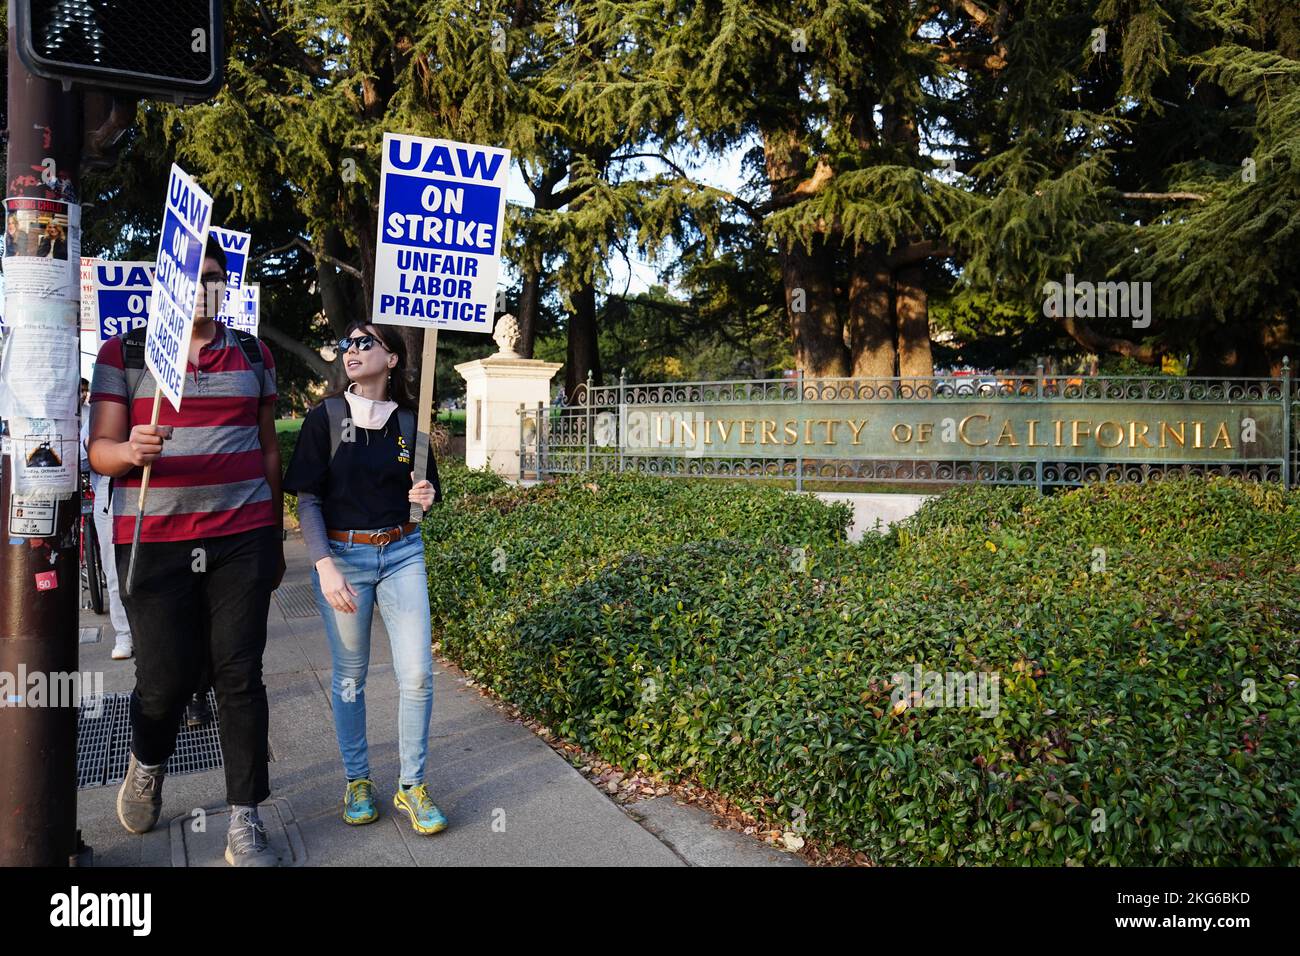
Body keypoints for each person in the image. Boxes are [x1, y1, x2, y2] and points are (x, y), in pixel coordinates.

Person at [88, 236, 285, 867]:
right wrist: (130, 453)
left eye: (215, 277)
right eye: (192, 277)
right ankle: (148, 764)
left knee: (238, 674)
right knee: (164, 680)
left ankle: (245, 820)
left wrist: (275, 532)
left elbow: (268, 450)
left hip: (242, 536)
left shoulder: (254, 353)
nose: (205, 288)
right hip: (155, 541)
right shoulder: (125, 352)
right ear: (165, 283)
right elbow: (101, 451)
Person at [281, 321, 446, 834]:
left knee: (417, 673)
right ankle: (357, 779)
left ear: (392, 358)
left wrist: (425, 499)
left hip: (402, 553)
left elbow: (425, 496)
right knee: (350, 677)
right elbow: (306, 498)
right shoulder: (325, 418)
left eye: (364, 343)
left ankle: (411, 786)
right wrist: (324, 564)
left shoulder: (411, 424)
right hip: (343, 559)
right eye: (347, 344)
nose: (351, 351)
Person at [79, 378, 133, 660]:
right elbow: (84, 458)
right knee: (113, 570)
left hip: (149, 493)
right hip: (109, 493)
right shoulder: (101, 410)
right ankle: (124, 634)